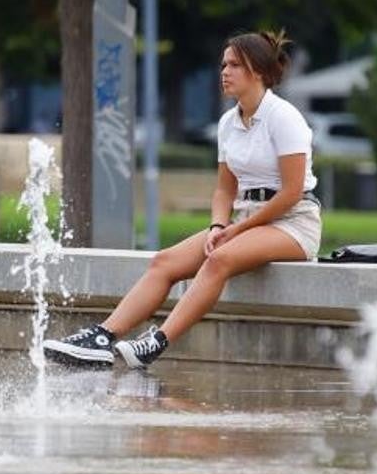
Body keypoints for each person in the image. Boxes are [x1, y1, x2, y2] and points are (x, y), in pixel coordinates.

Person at [44, 31, 322, 368]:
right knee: (163, 262)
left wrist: (235, 231)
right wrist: (219, 224)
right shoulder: (228, 123)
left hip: (293, 223)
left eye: (234, 65)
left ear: (259, 71)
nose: (224, 72)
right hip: (245, 220)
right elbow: (224, 190)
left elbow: (291, 193)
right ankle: (102, 337)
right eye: (223, 64)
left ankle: (157, 342)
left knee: (218, 260)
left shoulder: (284, 117)